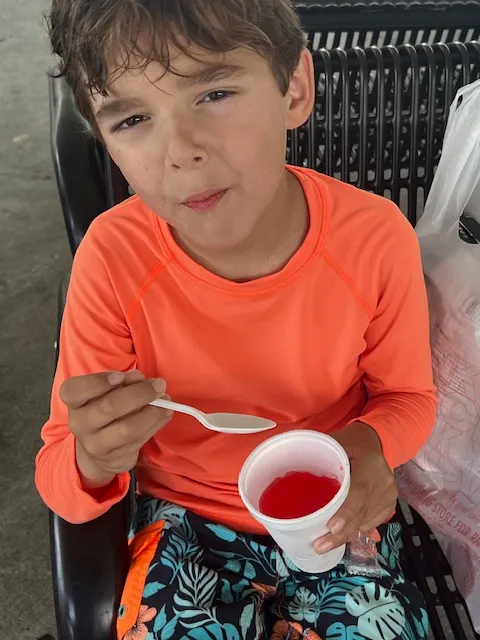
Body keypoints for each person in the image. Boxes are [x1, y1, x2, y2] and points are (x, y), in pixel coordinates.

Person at [36, 1, 437, 638]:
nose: (181, 151)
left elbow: (410, 398)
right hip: (182, 522)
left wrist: (369, 446)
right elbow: (60, 478)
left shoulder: (374, 239)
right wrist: (94, 455)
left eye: (215, 92)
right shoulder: (113, 261)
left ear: (295, 89)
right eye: (133, 118)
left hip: (335, 508)